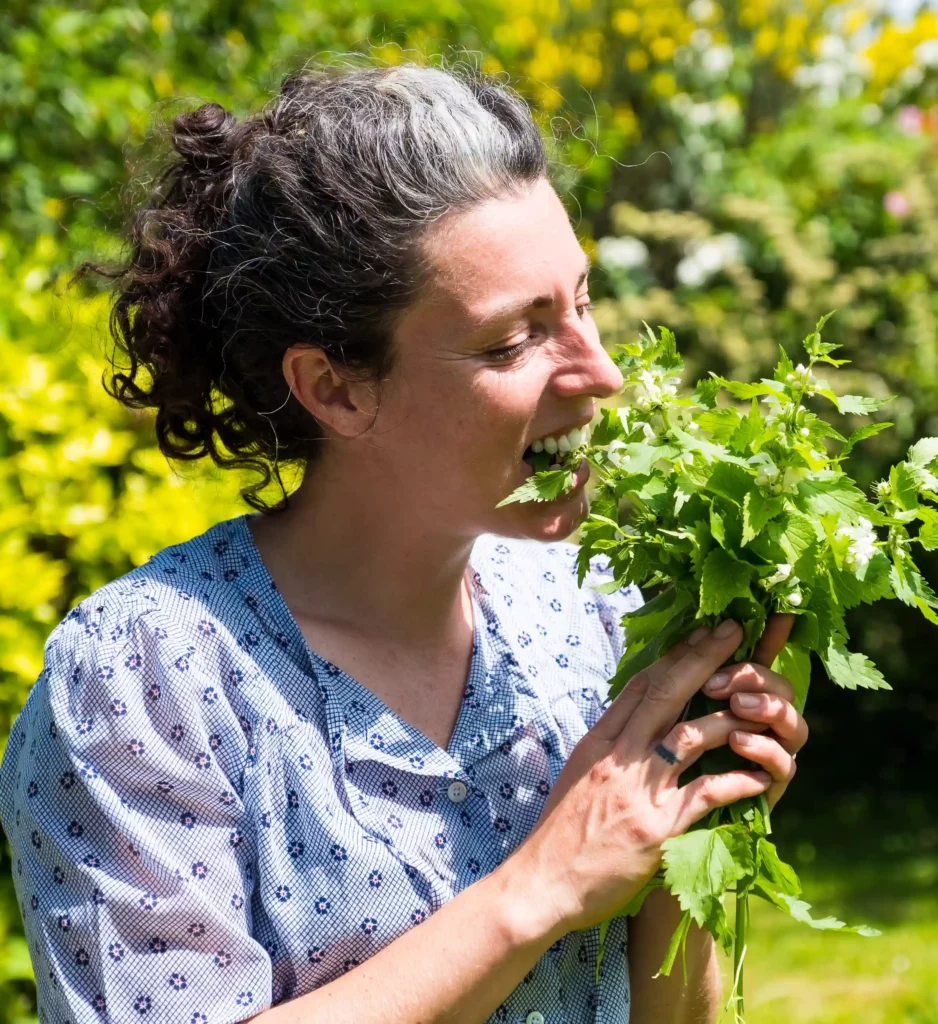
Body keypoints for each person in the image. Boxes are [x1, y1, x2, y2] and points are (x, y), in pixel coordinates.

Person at [0, 57, 807, 1024]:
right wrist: (538, 889)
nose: (600, 375)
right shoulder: (148, 677)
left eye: (583, 302)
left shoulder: (594, 609)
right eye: (516, 339)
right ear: (337, 388)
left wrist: (695, 827)